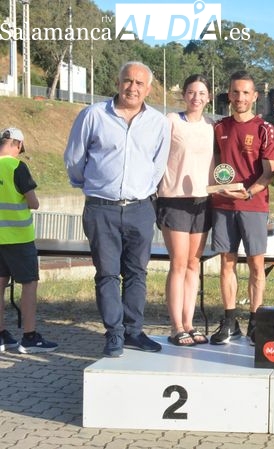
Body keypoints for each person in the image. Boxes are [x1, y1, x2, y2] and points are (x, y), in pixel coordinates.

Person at [64, 61, 170, 357]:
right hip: (102, 209)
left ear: (148, 89)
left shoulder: (159, 123)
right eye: (127, 81)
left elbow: (157, 166)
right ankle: (114, 334)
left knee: (137, 272)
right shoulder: (93, 115)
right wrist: (96, 186)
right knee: (107, 273)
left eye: (139, 83)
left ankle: (134, 331)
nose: (132, 87)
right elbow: (75, 159)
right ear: (118, 81)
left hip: (140, 208)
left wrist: (141, 192)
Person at [209, 70, 274, 346]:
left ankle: (255, 321)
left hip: (253, 205)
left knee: (256, 266)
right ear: (229, 94)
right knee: (226, 263)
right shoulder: (219, 127)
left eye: (246, 92)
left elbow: (268, 173)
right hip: (223, 204)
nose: (240, 97)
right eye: (235, 92)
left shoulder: (265, 129)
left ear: (255, 96)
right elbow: (214, 166)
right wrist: (216, 186)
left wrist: (249, 192)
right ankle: (229, 322)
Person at [157, 74, 215, 347]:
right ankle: (175, 325)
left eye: (202, 93)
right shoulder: (170, 121)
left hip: (203, 201)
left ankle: (190, 323)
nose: (196, 97)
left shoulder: (211, 126)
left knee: (194, 264)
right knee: (178, 263)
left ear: (209, 98)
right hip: (174, 198)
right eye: (192, 92)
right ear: (184, 95)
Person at [0, 128, 58, 353]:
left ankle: (2, 335)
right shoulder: (16, 167)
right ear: (17, 144)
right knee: (29, 284)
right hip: (18, 238)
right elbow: (33, 203)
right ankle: (29, 336)